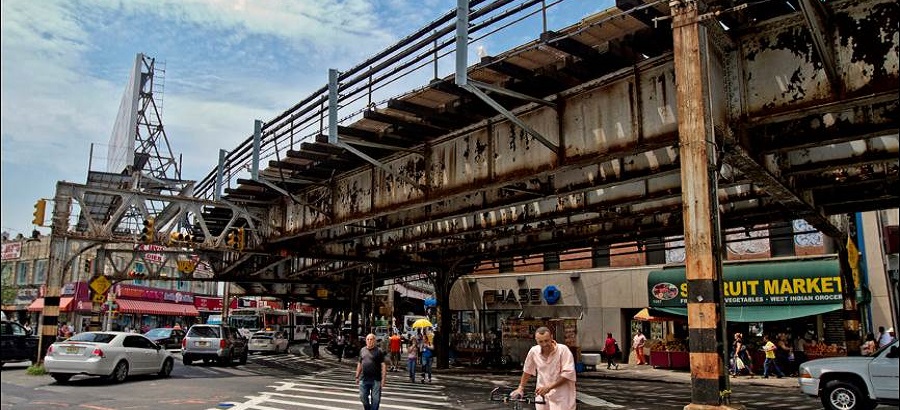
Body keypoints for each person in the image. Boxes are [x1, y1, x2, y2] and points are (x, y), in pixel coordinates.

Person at [512, 326, 577, 410]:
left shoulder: (563, 350)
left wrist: (549, 387)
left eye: (546, 340)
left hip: (562, 398)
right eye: (541, 342)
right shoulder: (534, 351)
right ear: (536, 340)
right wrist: (520, 388)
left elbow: (567, 375)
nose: (544, 344)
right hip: (542, 397)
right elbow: (527, 370)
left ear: (551, 337)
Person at [355, 333, 387, 410]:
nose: (369, 341)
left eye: (371, 339)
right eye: (368, 339)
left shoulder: (379, 351)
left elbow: (383, 365)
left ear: (374, 341)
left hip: (376, 379)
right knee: (362, 397)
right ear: (366, 341)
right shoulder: (362, 350)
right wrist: (357, 376)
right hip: (364, 379)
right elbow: (360, 364)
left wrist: (383, 379)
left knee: (376, 400)